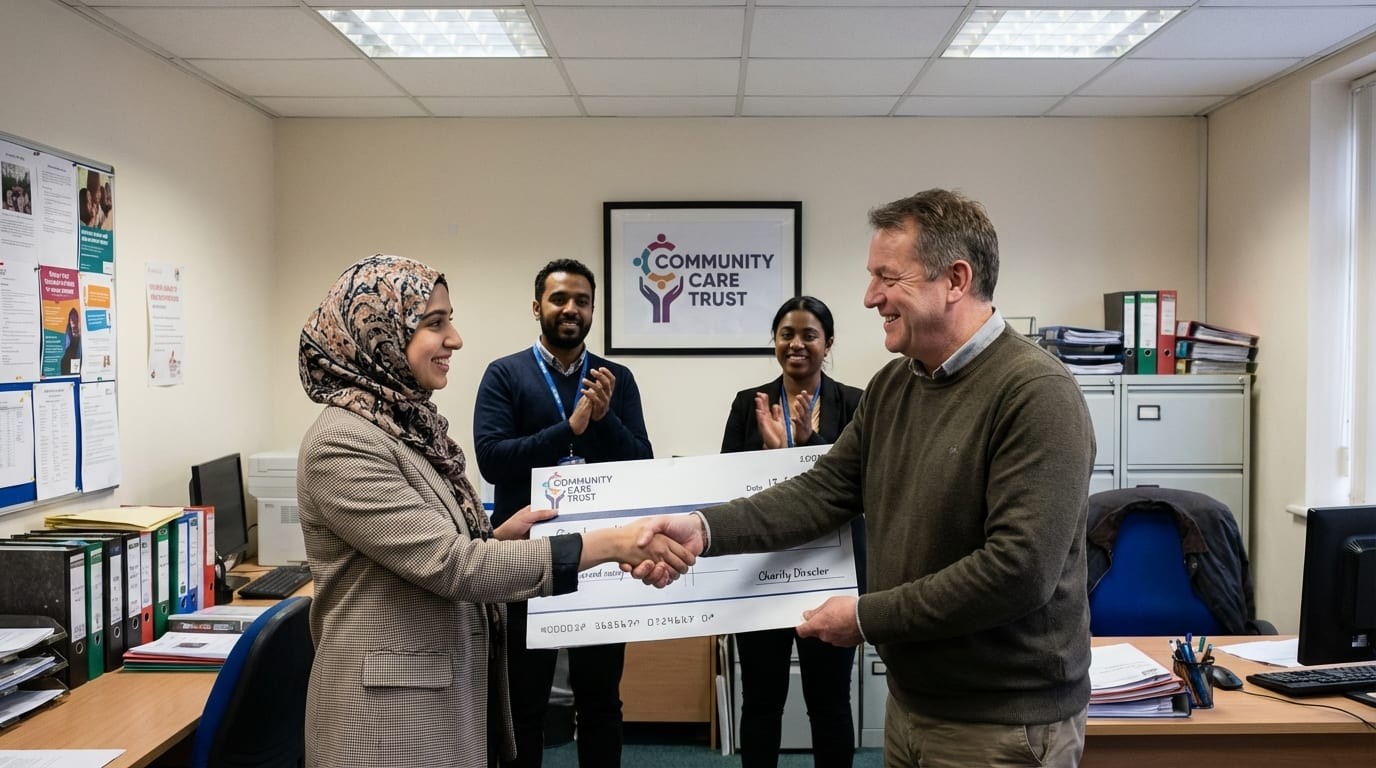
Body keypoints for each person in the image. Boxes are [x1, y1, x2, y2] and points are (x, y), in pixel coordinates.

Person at [638, 189, 1096, 767]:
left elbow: (1018, 571)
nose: (870, 296)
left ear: (955, 279)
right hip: (914, 707)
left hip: (1002, 723)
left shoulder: (1035, 394)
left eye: (887, 277)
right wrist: (704, 529)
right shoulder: (895, 386)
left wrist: (863, 617)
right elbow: (823, 489)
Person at [296, 254, 691, 768]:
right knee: (526, 706)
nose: (455, 338)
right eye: (435, 323)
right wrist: (612, 541)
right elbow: (451, 560)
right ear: (381, 334)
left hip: (456, 662)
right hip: (386, 714)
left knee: (601, 701)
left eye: (449, 320)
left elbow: (445, 542)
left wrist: (497, 537)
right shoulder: (344, 443)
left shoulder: (409, 428)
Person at [474, 258, 652, 768]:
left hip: (600, 562)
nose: (571, 309)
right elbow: (492, 458)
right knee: (524, 704)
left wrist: (605, 419)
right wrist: (569, 430)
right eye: (559, 299)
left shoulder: (615, 378)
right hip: (526, 559)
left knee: (601, 702)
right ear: (537, 307)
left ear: (593, 310)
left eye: (582, 300)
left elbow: (642, 463)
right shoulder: (505, 374)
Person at [721, 296, 864, 768]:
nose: (797, 344)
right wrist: (771, 456)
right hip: (761, 572)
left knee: (828, 701)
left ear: (828, 344)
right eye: (786, 334)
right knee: (761, 699)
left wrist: (808, 446)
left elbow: (863, 483)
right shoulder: (749, 405)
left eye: (809, 335)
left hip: (829, 574)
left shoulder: (856, 404)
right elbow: (728, 489)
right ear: (775, 342)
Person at [60, 307, 81, 375]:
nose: (74, 323)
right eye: (72, 319)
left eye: (76, 319)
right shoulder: (67, 336)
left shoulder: (81, 338)